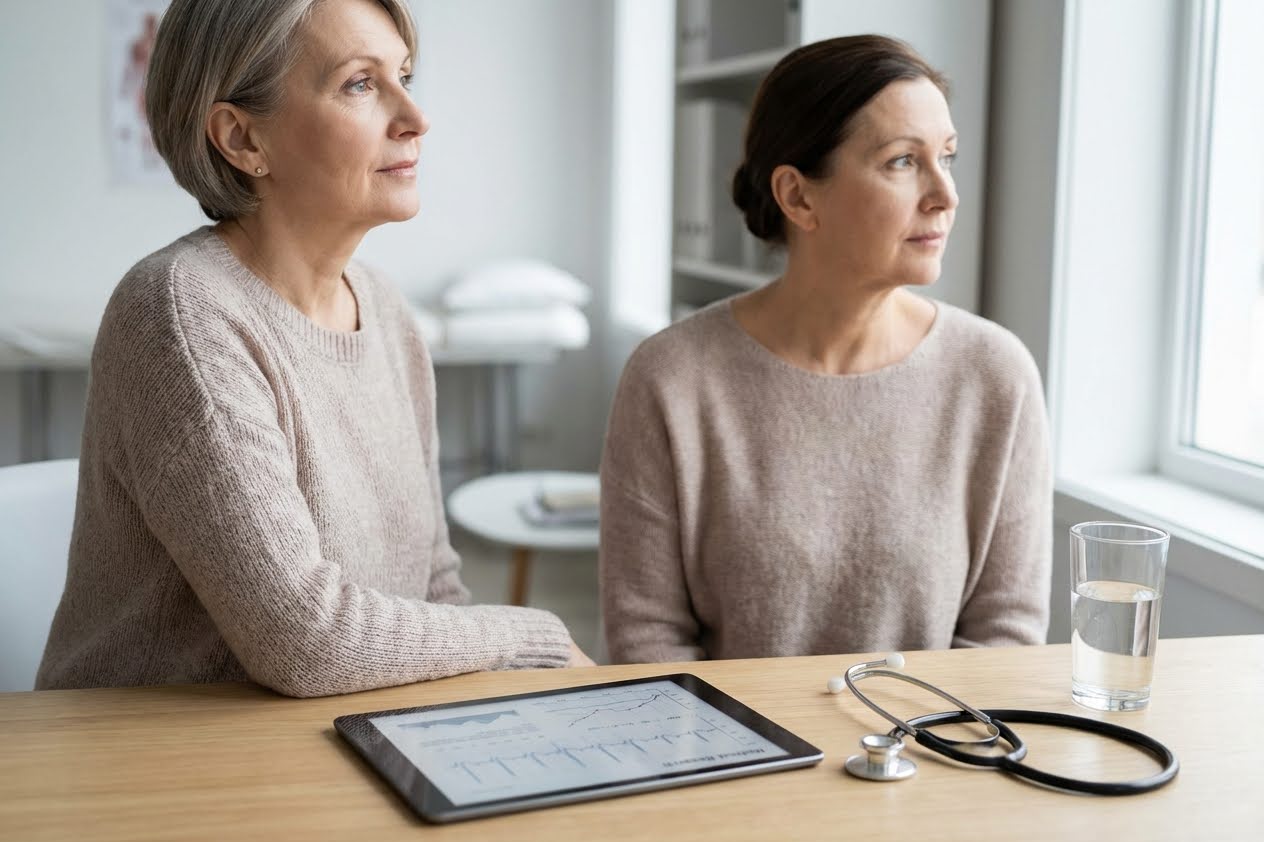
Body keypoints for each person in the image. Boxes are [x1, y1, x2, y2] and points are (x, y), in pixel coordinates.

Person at [37, 0, 592, 697]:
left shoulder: (389, 314)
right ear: (242, 139)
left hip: (338, 737)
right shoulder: (179, 314)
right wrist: (530, 638)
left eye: (405, 76)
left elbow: (435, 585)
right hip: (149, 767)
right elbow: (304, 640)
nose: (416, 119)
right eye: (360, 83)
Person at [600, 36, 1051, 663]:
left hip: (934, 752)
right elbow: (647, 641)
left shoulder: (996, 376)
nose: (945, 195)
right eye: (902, 161)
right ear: (798, 197)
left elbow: (1004, 639)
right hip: (734, 758)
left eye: (946, 156)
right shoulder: (672, 378)